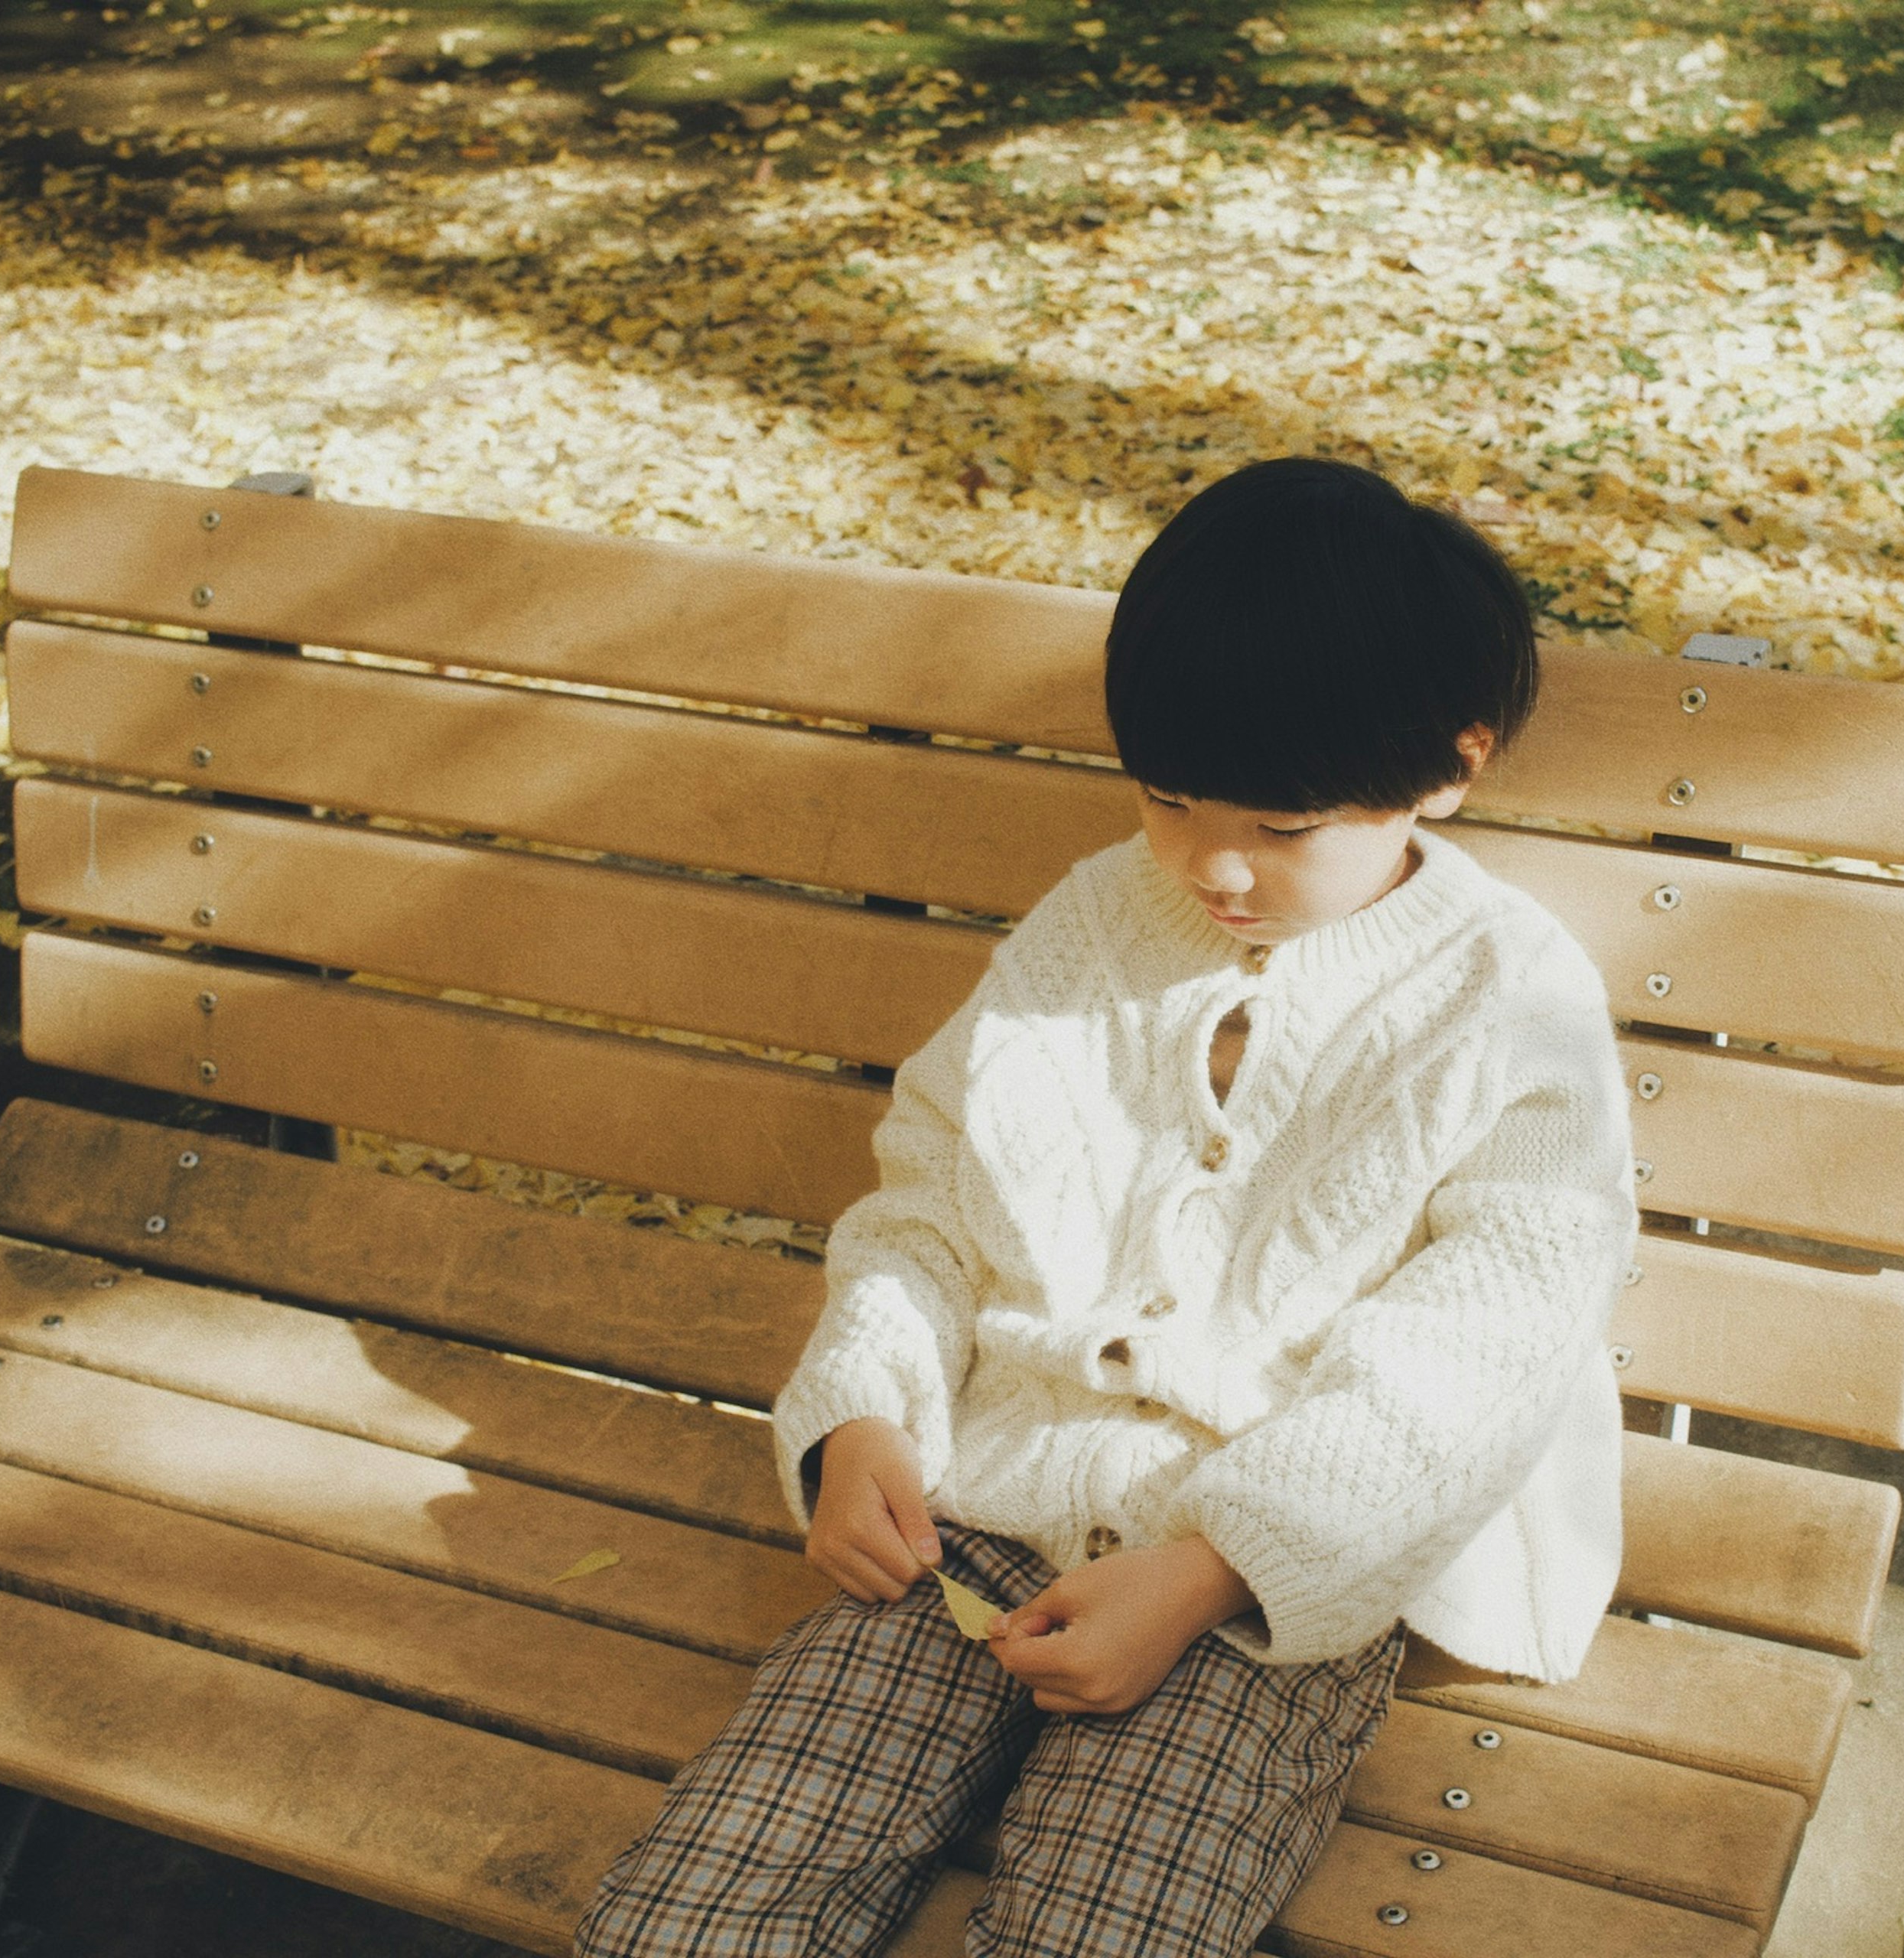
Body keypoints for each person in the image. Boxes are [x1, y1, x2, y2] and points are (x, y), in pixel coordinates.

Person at [575, 457, 1638, 1958]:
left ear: (1450, 763)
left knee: (1102, 1929)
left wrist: (1214, 1564)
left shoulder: (1507, 993)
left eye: (1285, 824)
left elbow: (1489, 1346)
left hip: (1278, 1579)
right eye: (1165, 796)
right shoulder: (1087, 921)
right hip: (983, 1513)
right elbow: (932, 1201)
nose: (1213, 862)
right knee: (691, 1913)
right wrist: (863, 1413)